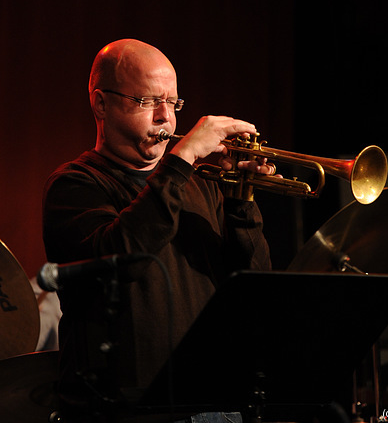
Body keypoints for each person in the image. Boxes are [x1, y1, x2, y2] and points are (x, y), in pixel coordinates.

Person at [42, 38, 273, 421]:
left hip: (215, 404)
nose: (165, 117)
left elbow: (253, 282)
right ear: (101, 103)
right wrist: (182, 158)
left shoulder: (202, 183)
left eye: (173, 103)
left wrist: (241, 200)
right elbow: (122, 256)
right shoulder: (74, 185)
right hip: (131, 411)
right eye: (147, 101)